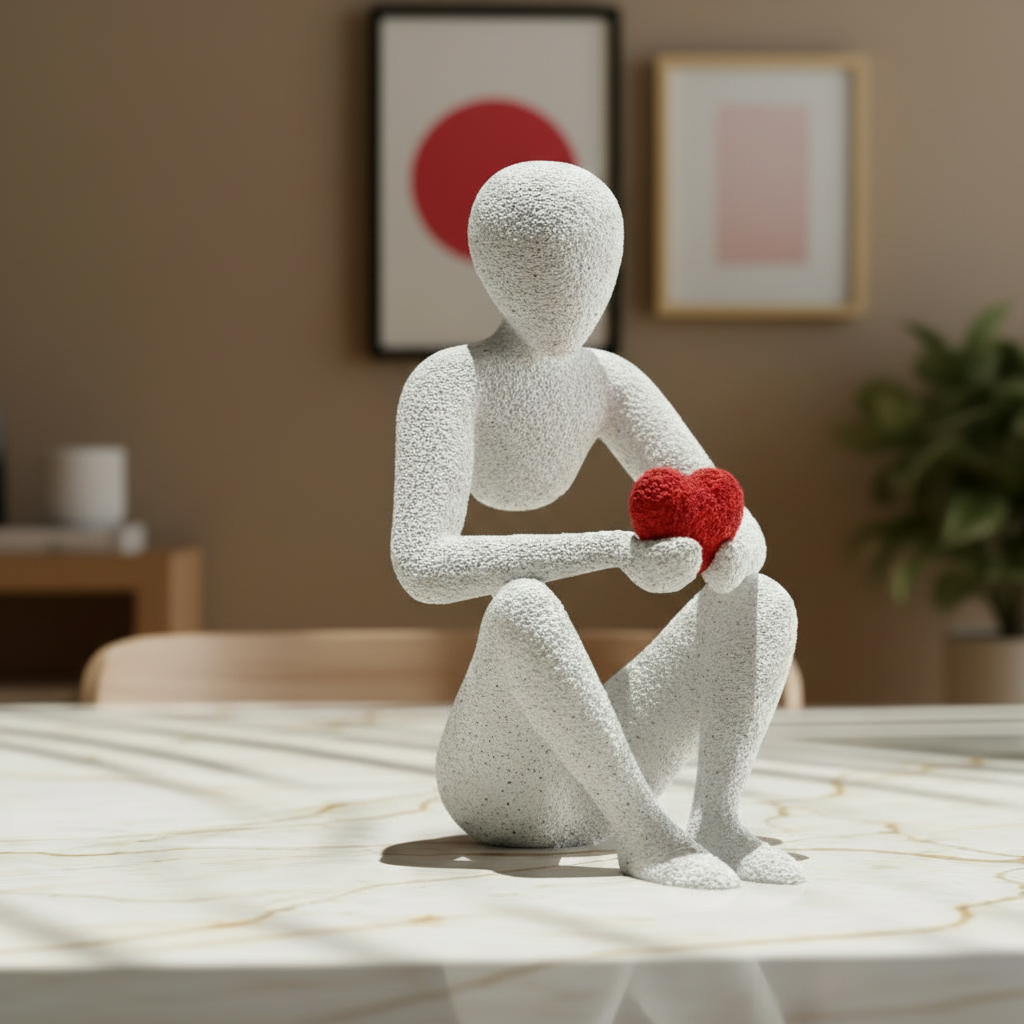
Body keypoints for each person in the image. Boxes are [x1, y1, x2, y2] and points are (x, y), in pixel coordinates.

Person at [391, 161, 800, 888]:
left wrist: (727, 555)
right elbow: (422, 565)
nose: (566, 296)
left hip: (599, 777)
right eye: (535, 270)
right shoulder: (449, 382)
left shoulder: (611, 380)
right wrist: (617, 550)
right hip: (494, 785)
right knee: (522, 606)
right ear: (489, 269)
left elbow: (742, 525)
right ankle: (645, 836)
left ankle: (718, 822)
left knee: (763, 599)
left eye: (588, 271)